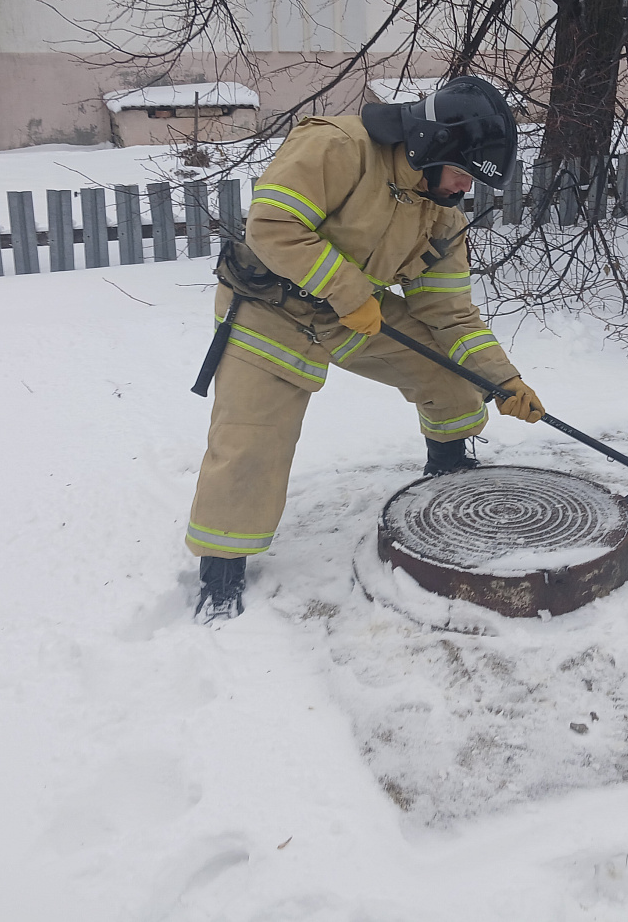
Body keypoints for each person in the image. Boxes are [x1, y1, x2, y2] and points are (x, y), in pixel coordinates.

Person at [187, 76, 545, 621]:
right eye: (462, 173)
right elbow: (273, 226)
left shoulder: (440, 213)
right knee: (253, 438)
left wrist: (503, 379)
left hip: (348, 316)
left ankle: (447, 463)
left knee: (449, 374)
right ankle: (222, 560)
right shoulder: (337, 146)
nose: (462, 190)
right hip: (269, 309)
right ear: (434, 145)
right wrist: (351, 290)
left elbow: (448, 313)